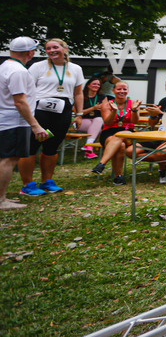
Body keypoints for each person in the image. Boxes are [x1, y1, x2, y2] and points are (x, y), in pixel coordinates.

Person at [17, 38, 84, 195]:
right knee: (31, 147)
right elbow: (27, 89)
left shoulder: (75, 68)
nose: (51, 50)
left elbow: (78, 93)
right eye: (48, 48)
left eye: (55, 47)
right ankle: (27, 185)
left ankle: (47, 181)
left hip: (63, 111)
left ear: (64, 48)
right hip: (39, 110)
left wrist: (79, 114)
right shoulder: (38, 67)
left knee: (52, 147)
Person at [1, 38, 49, 209]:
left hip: (7, 120)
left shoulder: (5, 66)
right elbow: (20, 102)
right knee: (8, 159)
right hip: (13, 121)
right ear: (30, 52)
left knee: (6, 158)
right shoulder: (18, 71)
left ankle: (3, 197)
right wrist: (35, 125)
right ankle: (1, 200)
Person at [90, 81, 139, 185]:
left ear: (127, 91)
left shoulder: (133, 103)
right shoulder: (107, 104)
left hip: (128, 131)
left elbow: (134, 122)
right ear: (113, 91)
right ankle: (118, 177)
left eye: (124, 89)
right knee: (120, 145)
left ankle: (101, 164)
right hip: (109, 132)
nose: (122, 91)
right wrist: (113, 111)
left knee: (121, 135)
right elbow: (108, 122)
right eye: (119, 89)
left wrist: (134, 110)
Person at [80, 77, 108, 159]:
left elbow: (106, 110)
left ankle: (88, 148)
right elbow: (78, 112)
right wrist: (93, 108)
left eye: (98, 84)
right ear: (88, 85)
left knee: (98, 120)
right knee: (97, 127)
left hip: (97, 121)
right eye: (94, 84)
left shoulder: (102, 96)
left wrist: (104, 108)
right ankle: (89, 146)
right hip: (82, 121)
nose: (97, 86)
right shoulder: (81, 95)